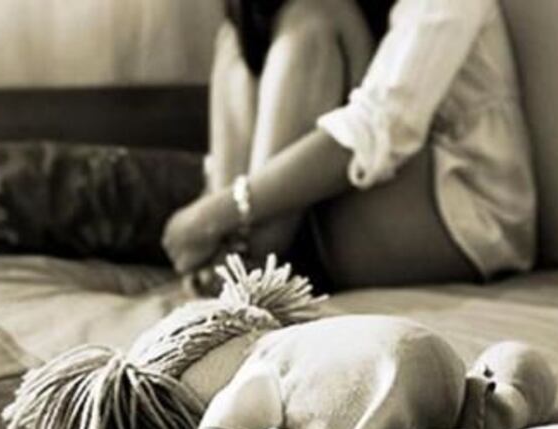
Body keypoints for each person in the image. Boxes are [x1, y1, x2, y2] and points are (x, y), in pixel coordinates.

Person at [162, 0, 536, 289]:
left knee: (316, 16)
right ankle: (229, 252)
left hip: (465, 221)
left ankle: (245, 253)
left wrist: (216, 213)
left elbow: (382, 128)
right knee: (241, 36)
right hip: (350, 206)